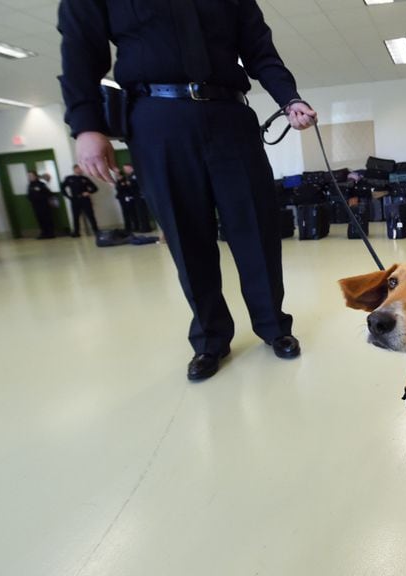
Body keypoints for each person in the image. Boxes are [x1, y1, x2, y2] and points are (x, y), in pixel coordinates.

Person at [58, 0, 317, 381]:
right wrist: (86, 125)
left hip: (230, 116)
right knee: (185, 236)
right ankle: (210, 340)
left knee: (256, 230)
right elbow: (81, 50)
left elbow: (260, 49)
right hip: (156, 119)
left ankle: (274, 326)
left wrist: (289, 98)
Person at [62, 165, 99, 237]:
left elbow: (95, 188)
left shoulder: (85, 178)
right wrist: (68, 197)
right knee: (75, 216)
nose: (79, 170)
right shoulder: (69, 178)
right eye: (78, 169)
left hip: (85, 200)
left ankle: (96, 230)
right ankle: (76, 232)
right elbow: (62, 188)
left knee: (90, 215)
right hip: (75, 200)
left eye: (80, 169)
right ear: (74, 169)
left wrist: (88, 192)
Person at [27, 171, 55, 239]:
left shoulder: (41, 184)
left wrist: (41, 198)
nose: (29, 177)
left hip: (44, 205)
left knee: (47, 219)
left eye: (31, 176)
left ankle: (50, 233)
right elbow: (29, 195)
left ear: (35, 176)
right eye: (28, 176)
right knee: (40, 219)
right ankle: (43, 233)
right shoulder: (30, 185)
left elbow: (48, 193)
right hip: (36, 206)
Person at [115, 163, 141, 233]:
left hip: (128, 197)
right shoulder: (118, 180)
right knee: (125, 213)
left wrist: (124, 184)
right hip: (122, 198)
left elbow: (128, 188)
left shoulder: (126, 178)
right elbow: (118, 188)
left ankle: (136, 226)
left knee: (132, 213)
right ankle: (128, 227)